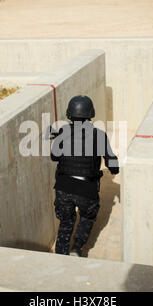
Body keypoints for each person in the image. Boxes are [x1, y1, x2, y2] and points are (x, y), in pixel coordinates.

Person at [50, 95, 119, 257]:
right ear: (90, 114)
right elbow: (112, 163)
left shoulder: (63, 132)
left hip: (63, 187)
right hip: (87, 190)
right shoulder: (99, 135)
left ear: (69, 114)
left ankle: (61, 253)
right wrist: (115, 170)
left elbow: (54, 157)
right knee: (87, 216)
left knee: (66, 222)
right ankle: (77, 247)